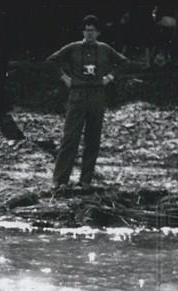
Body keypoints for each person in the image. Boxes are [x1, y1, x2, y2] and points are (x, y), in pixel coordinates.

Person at [47, 15, 129, 189]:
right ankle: (60, 180)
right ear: (82, 31)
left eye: (92, 30)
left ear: (98, 32)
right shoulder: (73, 48)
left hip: (97, 96)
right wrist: (65, 78)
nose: (89, 33)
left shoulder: (105, 49)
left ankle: (85, 180)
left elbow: (124, 63)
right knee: (70, 138)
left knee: (93, 139)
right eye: (86, 29)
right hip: (77, 96)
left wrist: (110, 77)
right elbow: (52, 61)